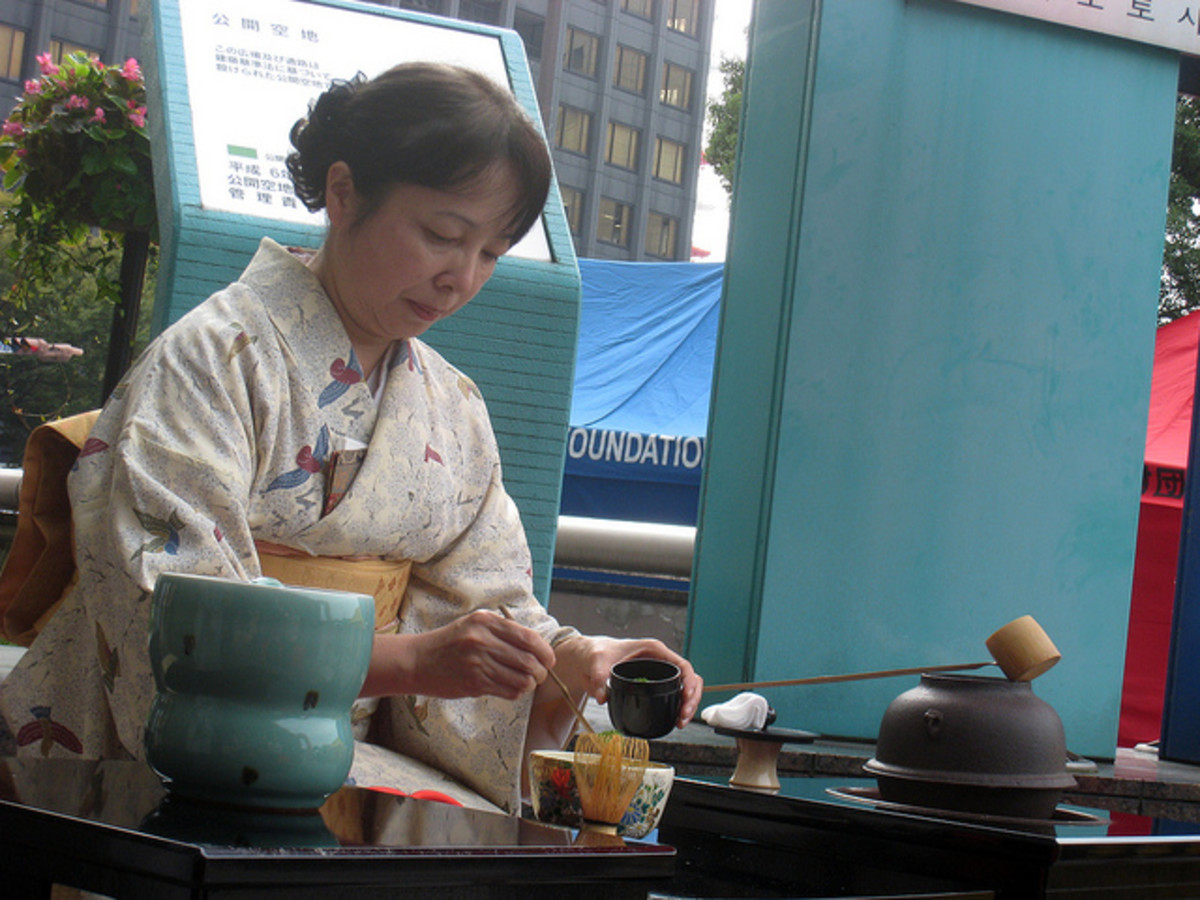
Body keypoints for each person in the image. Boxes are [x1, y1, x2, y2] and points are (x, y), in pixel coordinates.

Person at [0, 62, 702, 814]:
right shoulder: (212, 359)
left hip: (355, 762)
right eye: (442, 234)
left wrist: (575, 659)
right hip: (165, 765)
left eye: (491, 252)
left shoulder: (454, 407)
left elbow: (490, 602)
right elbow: (171, 615)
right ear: (344, 193)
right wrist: (406, 661)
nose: (460, 277)